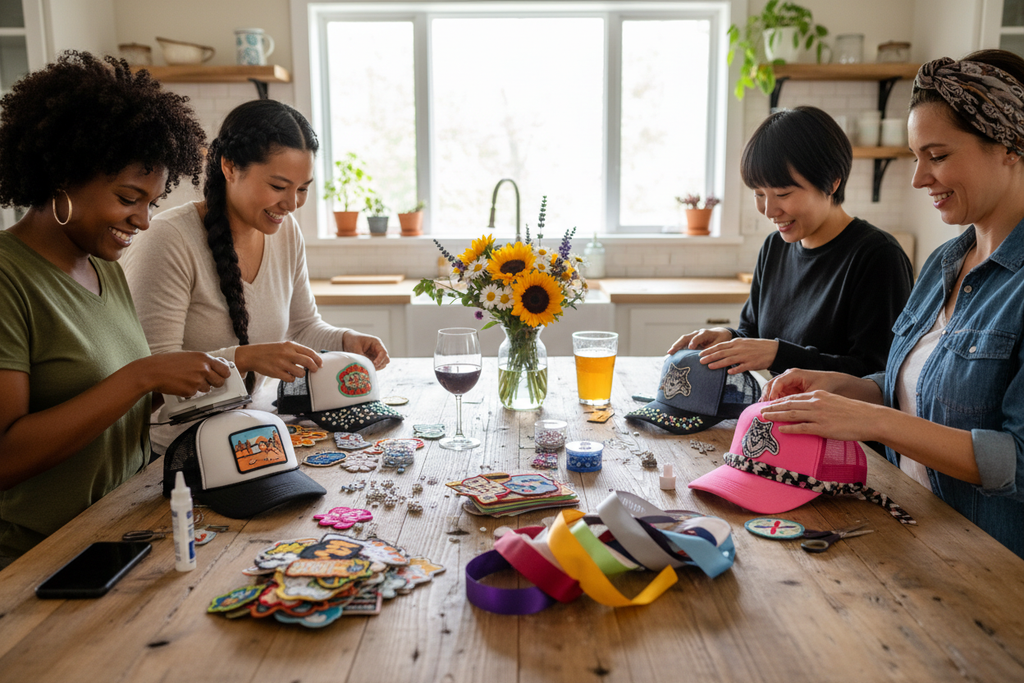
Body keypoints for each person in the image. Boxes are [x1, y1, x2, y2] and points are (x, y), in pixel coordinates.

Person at [761, 50, 1024, 560]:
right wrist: (847, 389)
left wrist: (870, 422)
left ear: (1010, 146)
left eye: (939, 155)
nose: (919, 178)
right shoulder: (948, 261)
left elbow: (1017, 461)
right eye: (915, 157)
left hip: (990, 563)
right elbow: (920, 388)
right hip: (911, 531)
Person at [0, 52, 232, 568]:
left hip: (123, 530)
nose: (143, 221)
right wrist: (143, 376)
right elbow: (6, 456)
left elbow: (109, 407)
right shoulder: (7, 278)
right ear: (62, 176)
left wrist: (178, 386)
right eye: (129, 198)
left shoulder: (104, 266)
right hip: (40, 559)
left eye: (151, 202)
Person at [123, 99, 390, 454]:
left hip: (254, 436)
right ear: (230, 167)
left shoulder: (286, 232)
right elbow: (153, 375)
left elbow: (300, 327)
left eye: (303, 188)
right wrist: (243, 358)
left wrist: (345, 339)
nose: (292, 203)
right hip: (176, 453)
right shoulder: (169, 240)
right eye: (279, 186)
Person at [669, 106, 914, 377]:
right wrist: (726, 336)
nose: (769, 210)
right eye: (759, 193)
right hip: (780, 414)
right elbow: (752, 333)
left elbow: (878, 375)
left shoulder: (878, 257)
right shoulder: (775, 247)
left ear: (832, 182)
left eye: (783, 194)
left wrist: (777, 353)